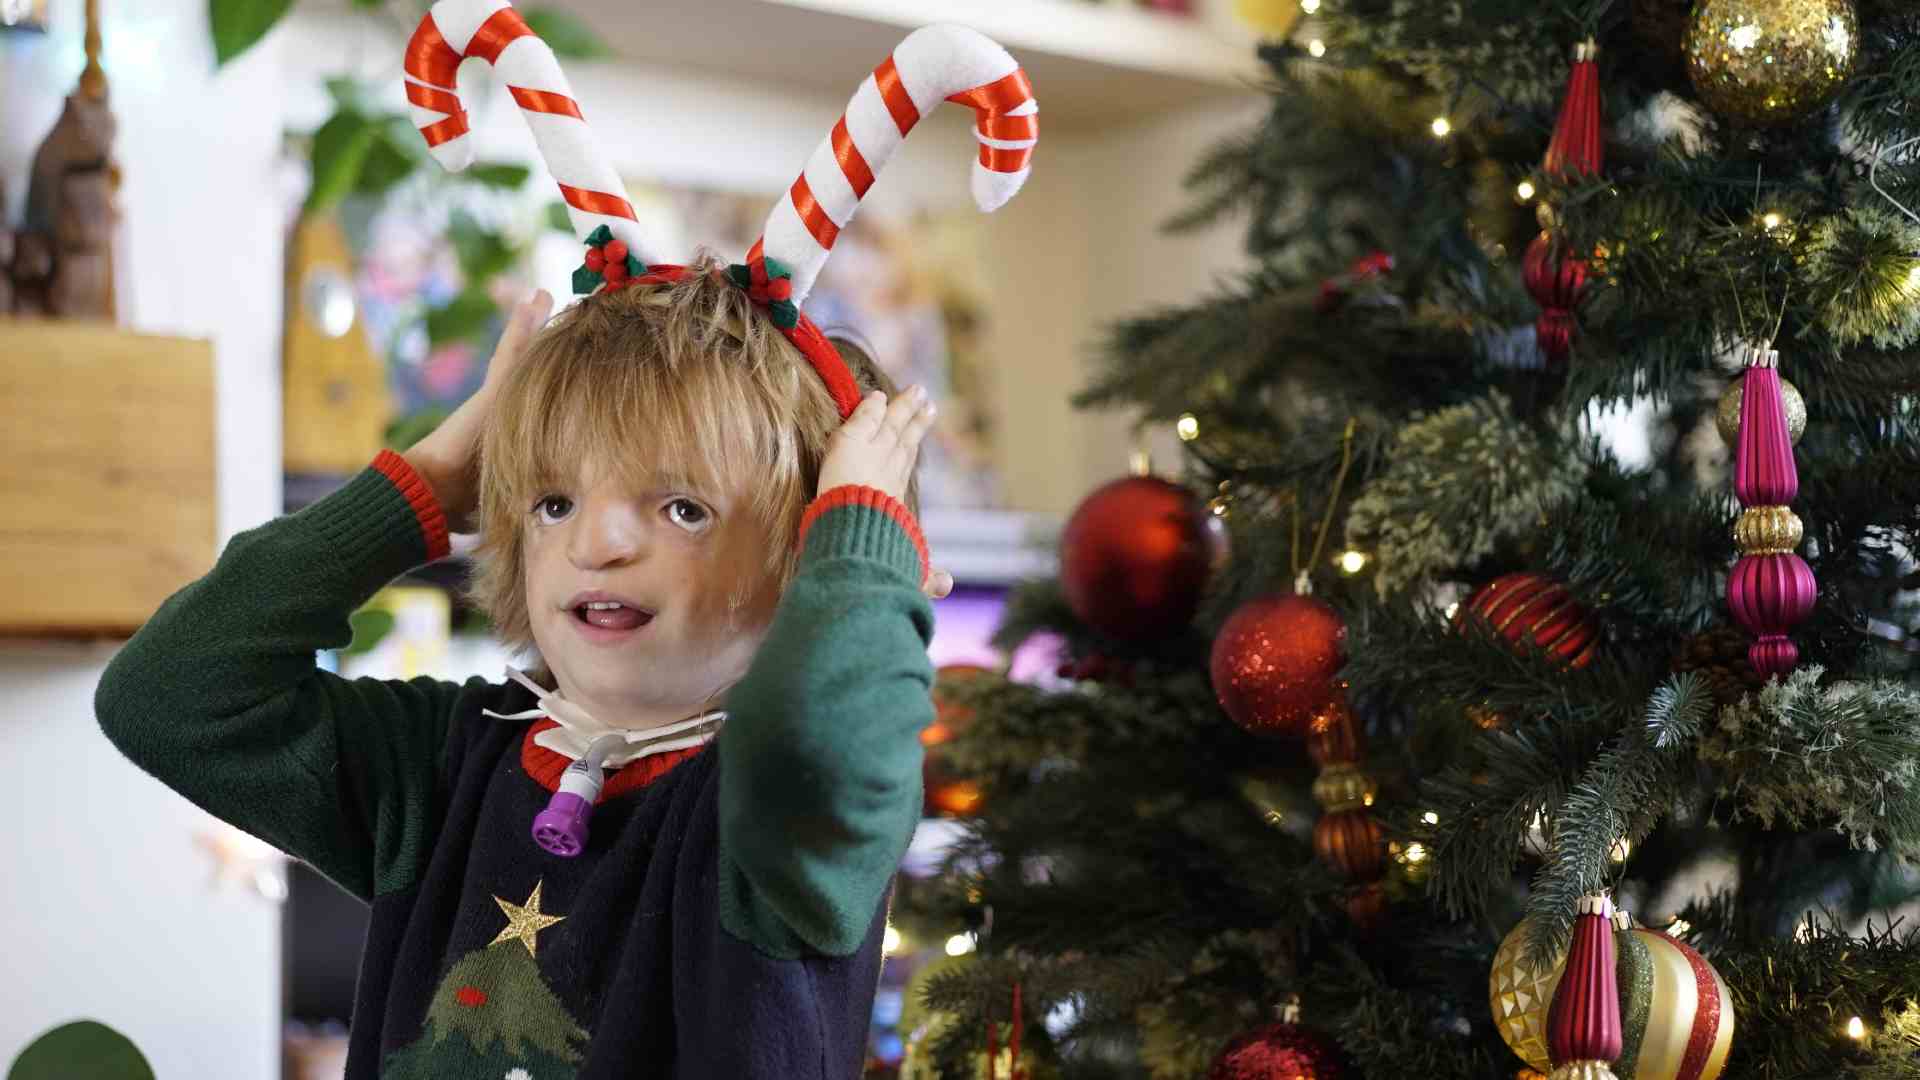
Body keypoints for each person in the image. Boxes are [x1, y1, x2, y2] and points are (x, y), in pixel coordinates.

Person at [97, 9, 1036, 1073]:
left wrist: (862, 548)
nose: (596, 542)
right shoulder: (448, 765)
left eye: (681, 507)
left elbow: (817, 743)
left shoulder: (773, 829)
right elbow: (166, 696)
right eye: (550, 502)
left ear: (807, 557)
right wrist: (431, 478)